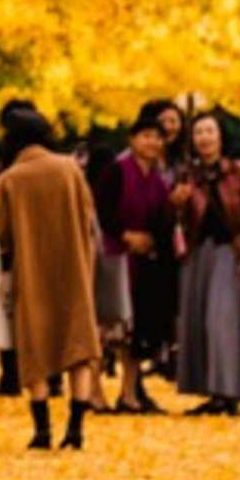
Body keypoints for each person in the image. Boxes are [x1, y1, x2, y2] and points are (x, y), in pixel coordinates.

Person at [0, 104, 104, 450]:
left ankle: (42, 431)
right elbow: (88, 215)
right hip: (74, 270)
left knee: (35, 347)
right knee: (78, 346)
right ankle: (76, 428)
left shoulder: (8, 180)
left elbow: (2, 234)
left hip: (32, 273)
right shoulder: (69, 169)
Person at [170, 112, 240, 414]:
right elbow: (174, 220)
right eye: (198, 132)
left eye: (209, 131)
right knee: (198, 321)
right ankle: (212, 391)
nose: (204, 137)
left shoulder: (237, 173)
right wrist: (176, 202)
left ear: (220, 137)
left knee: (221, 320)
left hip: (230, 252)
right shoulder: (186, 175)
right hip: (198, 253)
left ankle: (229, 391)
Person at [94, 108, 178, 414]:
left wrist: (170, 209)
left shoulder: (160, 179)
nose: (152, 142)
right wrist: (127, 235)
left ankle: (129, 392)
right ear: (132, 139)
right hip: (114, 256)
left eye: (157, 137)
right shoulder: (117, 170)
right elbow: (101, 210)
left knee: (137, 330)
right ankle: (94, 391)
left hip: (146, 261)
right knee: (107, 327)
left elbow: (163, 220)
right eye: (146, 136)